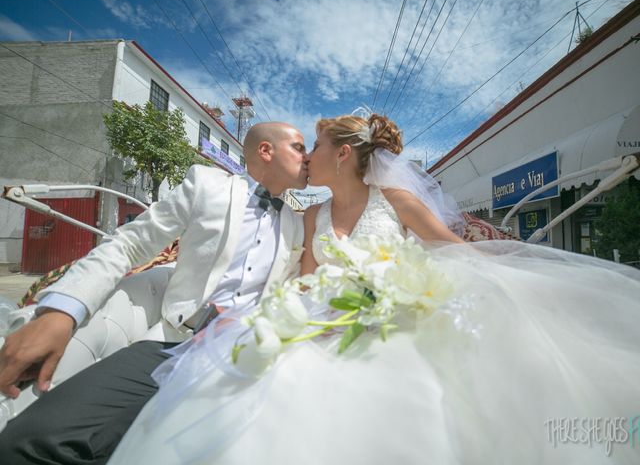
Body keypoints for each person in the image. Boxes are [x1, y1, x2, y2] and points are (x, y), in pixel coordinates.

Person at [110, 113, 640, 464]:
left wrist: (521, 271)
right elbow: (307, 280)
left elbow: (451, 248)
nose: (309, 155)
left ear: (341, 154)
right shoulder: (311, 215)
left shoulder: (394, 201)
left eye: (314, 146)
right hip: (326, 321)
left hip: (398, 318)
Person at [0, 121, 309, 464]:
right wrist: (62, 311)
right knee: (29, 440)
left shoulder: (296, 225)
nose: (307, 157)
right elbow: (130, 244)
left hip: (250, 358)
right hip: (175, 344)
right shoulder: (207, 186)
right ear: (265, 150)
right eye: (299, 147)